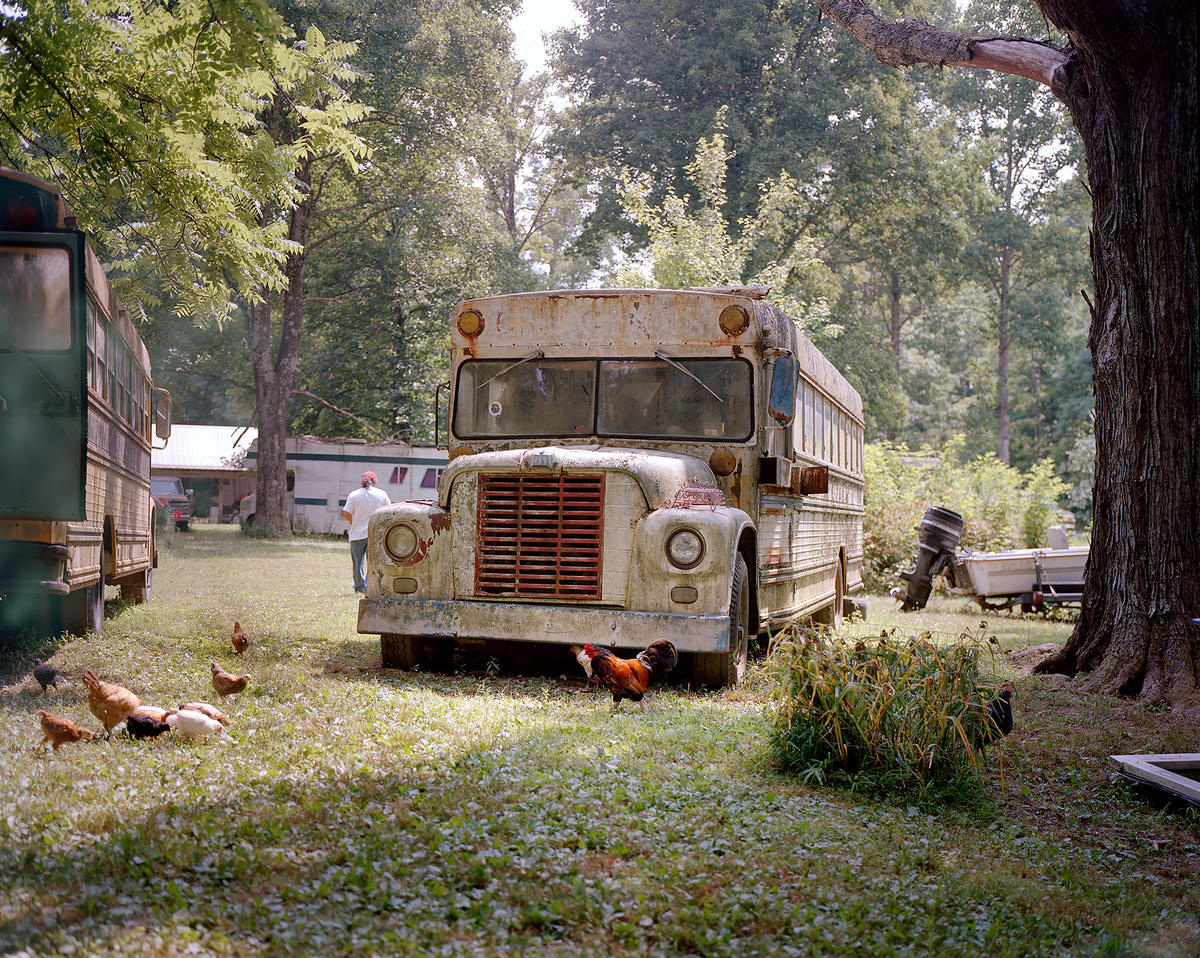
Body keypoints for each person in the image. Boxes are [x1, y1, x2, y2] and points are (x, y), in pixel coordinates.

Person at [342, 471, 391, 594]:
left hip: (357, 534)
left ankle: (359, 586)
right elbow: (389, 511)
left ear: (362, 481)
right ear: (374, 482)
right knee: (373, 563)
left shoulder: (354, 495)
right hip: (374, 534)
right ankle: (371, 587)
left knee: (357, 563)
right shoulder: (382, 494)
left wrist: (353, 522)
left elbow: (346, 512)